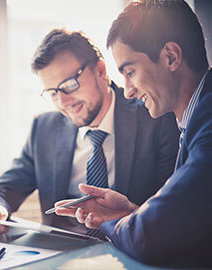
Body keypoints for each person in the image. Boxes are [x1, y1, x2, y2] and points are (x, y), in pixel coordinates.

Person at [0, 28, 179, 240]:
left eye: (69, 85)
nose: (63, 102)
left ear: (100, 70)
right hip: (58, 256)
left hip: (128, 250)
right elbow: (6, 187)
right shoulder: (44, 128)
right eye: (52, 93)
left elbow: (171, 211)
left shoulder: (155, 117)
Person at [55, 0, 212, 267]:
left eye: (130, 72)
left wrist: (113, 221)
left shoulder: (207, 124)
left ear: (171, 57)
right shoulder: (193, 119)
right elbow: (188, 221)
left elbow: (148, 238)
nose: (127, 91)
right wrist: (132, 212)